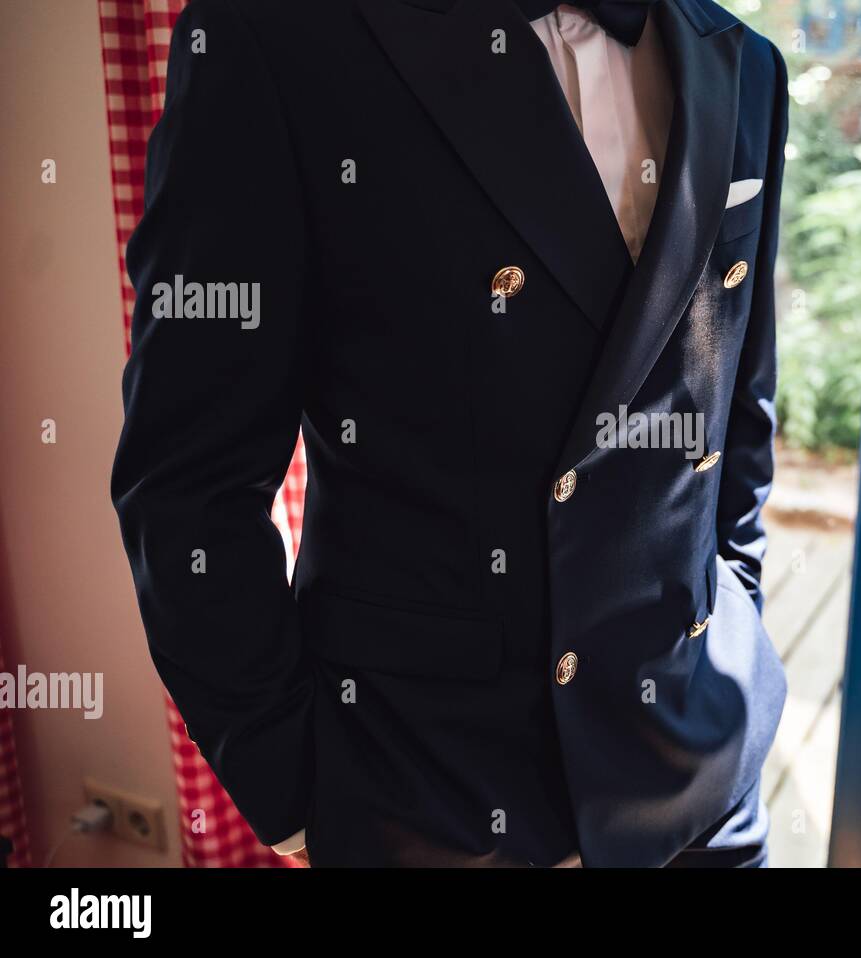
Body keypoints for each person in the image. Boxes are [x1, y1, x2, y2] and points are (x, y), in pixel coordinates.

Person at [112, 0, 789, 867]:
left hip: (706, 773)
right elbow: (185, 483)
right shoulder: (277, 36)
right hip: (433, 801)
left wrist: (735, 600)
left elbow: (740, 412)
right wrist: (291, 792)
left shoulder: (745, 62)